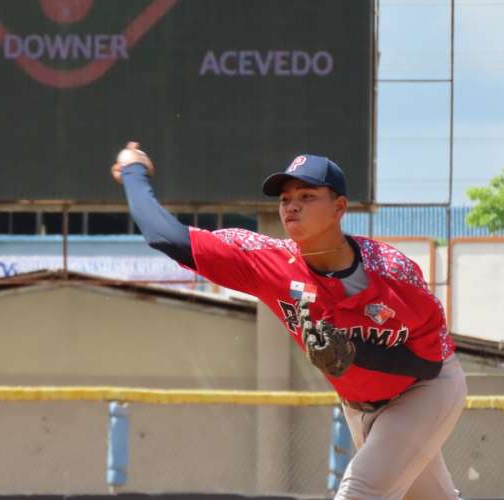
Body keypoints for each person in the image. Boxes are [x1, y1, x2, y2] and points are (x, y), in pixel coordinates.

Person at [110, 142, 467, 500]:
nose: (292, 205)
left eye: (307, 196)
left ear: (339, 207)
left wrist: (355, 352)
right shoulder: (268, 263)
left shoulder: (392, 272)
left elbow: (431, 362)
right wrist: (133, 172)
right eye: (285, 199)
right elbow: (165, 236)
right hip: (360, 408)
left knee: (360, 491)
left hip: (425, 392)